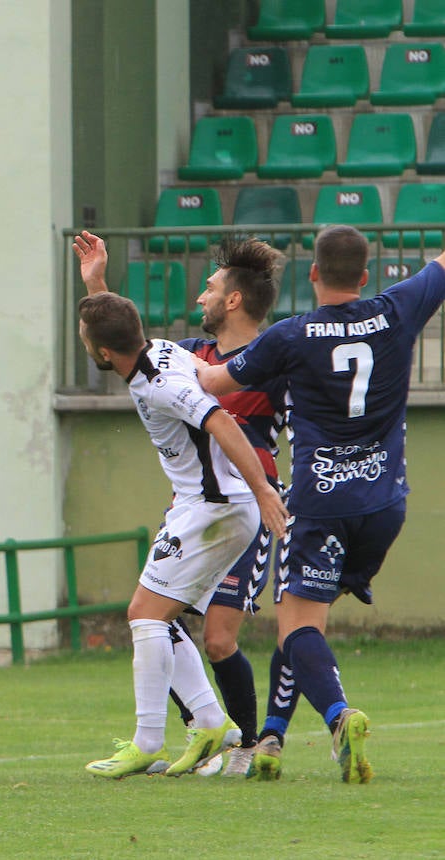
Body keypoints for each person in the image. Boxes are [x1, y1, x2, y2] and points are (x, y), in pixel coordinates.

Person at [197, 225, 445, 783]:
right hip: (385, 504)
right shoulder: (398, 307)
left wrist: (162, 361)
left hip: (319, 503)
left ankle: (338, 716)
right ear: (364, 275)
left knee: (298, 627)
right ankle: (272, 738)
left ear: (313, 273)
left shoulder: (290, 336)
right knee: (303, 622)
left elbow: (214, 380)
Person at [75, 230, 295, 779]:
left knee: (154, 619)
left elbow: (219, 421)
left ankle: (158, 738)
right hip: (209, 508)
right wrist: (96, 285)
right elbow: (119, 328)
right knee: (161, 621)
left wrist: (269, 491)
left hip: (220, 507)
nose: (200, 295)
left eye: (211, 287)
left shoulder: (168, 383)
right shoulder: (173, 352)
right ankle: (210, 723)